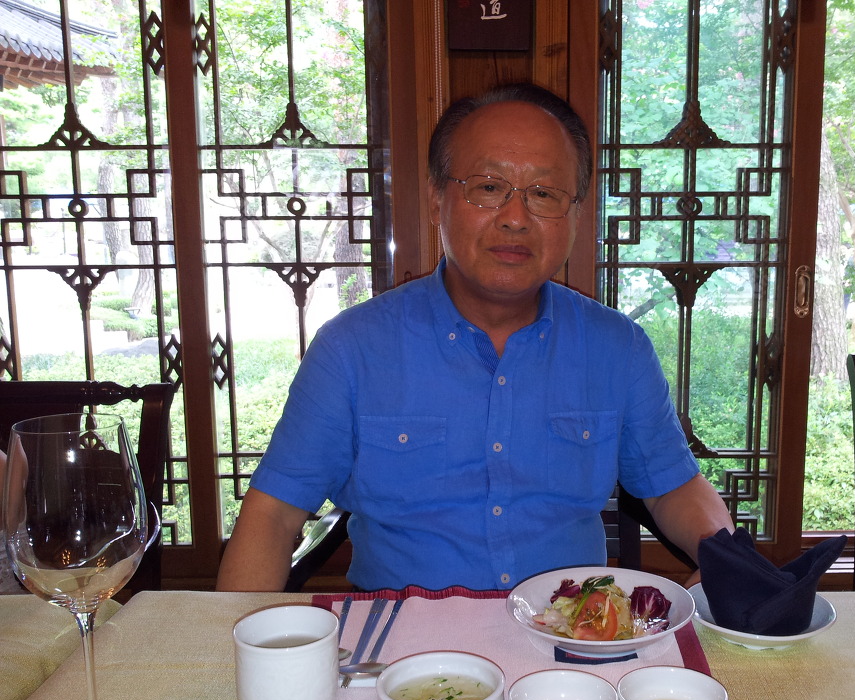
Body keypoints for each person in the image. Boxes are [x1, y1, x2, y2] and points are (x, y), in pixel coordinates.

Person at [216, 83, 733, 592]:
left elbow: (674, 487)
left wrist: (731, 563)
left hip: (569, 631)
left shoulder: (618, 348)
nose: (515, 218)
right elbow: (274, 514)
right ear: (436, 199)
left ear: (576, 214)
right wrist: (231, 636)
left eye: (544, 194)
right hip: (400, 636)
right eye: (488, 187)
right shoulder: (350, 350)